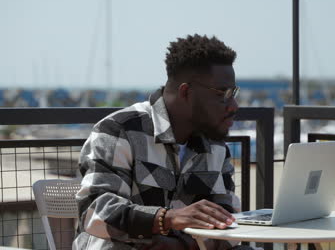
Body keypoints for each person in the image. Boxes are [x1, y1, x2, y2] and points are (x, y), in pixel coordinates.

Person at [73, 34, 254, 250]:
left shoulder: (215, 147)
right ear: (186, 92)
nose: (233, 105)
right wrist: (167, 218)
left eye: (233, 92)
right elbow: (95, 214)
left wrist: (180, 245)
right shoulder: (120, 130)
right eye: (222, 94)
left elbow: (226, 224)